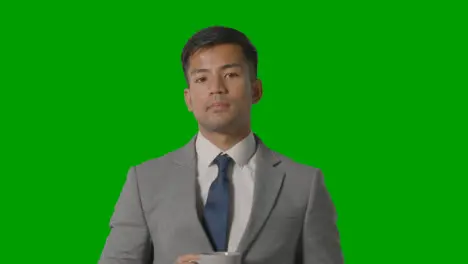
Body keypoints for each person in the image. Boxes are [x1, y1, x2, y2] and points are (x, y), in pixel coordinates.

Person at [98, 26, 344, 264]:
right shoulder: (145, 182)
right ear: (188, 98)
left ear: (256, 90)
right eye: (202, 78)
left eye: (230, 75)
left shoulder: (304, 184)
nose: (216, 88)